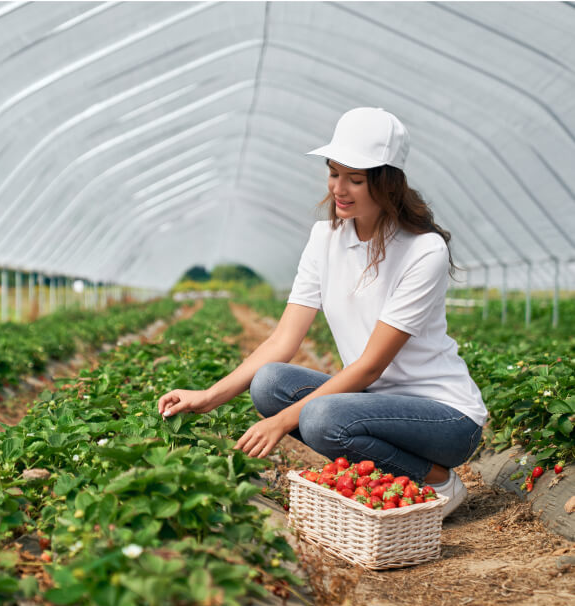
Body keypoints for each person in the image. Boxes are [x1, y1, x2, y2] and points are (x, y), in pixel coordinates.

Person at [157, 107, 487, 517]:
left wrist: (281, 423)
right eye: (334, 173)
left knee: (320, 416)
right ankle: (386, 475)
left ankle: (436, 479)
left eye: (356, 179)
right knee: (269, 383)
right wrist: (210, 397)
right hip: (373, 403)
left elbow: (368, 367)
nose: (340, 189)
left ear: (387, 182)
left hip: (444, 418)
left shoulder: (423, 251)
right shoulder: (324, 239)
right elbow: (283, 340)